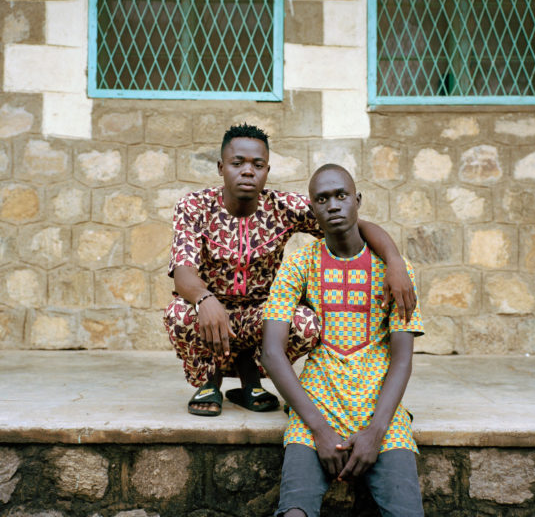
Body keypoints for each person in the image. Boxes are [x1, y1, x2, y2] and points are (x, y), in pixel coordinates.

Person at [164, 123, 417, 417]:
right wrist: (205, 299)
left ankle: (251, 379)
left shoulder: (282, 206)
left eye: (257, 165)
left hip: (261, 314)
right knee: (178, 313)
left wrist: (395, 261)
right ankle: (210, 380)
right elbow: (183, 270)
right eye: (238, 163)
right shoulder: (195, 206)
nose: (248, 171)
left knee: (305, 322)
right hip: (209, 309)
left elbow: (352, 223)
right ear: (221, 167)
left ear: (267, 171)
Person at [261, 164, 424, 517]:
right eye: (322, 199)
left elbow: (402, 359)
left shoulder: (395, 270)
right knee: (294, 512)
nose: (333, 205)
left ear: (357, 201)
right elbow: (272, 352)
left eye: (341, 195)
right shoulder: (300, 263)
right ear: (313, 209)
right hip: (317, 405)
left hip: (381, 410)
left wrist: (377, 432)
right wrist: (318, 428)